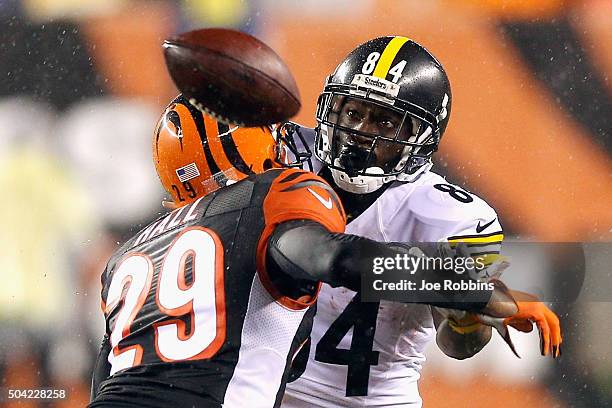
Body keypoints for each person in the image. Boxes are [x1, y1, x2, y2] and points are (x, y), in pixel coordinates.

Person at [88, 94, 550, 408]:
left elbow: (106, 377)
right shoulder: (264, 204)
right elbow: (340, 259)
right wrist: (475, 292)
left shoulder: (128, 253)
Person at [282, 36, 561, 407]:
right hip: (268, 391)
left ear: (421, 138)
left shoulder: (451, 215)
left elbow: (458, 347)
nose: (361, 133)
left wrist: (468, 317)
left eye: (385, 122)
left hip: (373, 402)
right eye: (353, 113)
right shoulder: (281, 158)